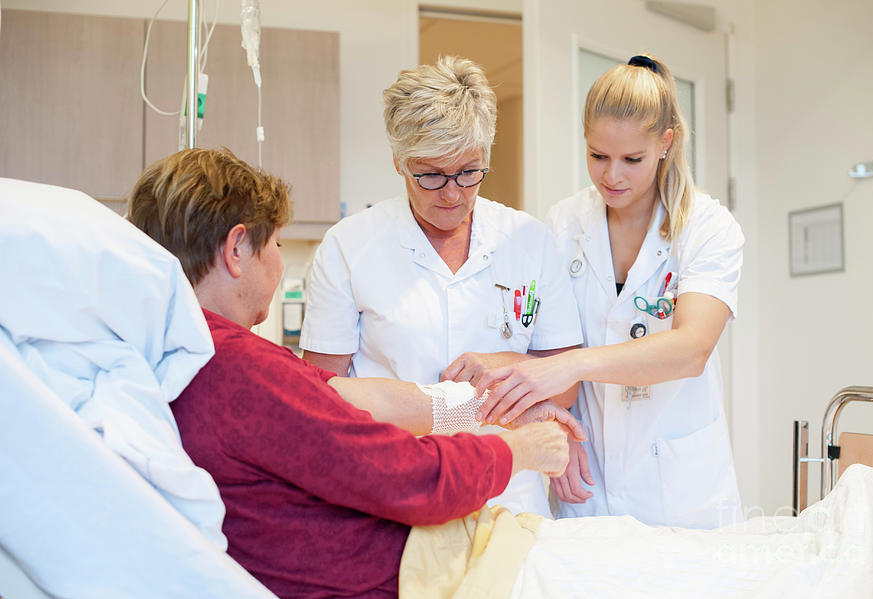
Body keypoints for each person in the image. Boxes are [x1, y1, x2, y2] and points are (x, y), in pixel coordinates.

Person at [125, 147, 575, 599]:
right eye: (277, 244)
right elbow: (413, 479)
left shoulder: (187, 350)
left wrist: (492, 406)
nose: (279, 263)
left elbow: (349, 396)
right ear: (237, 248)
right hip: (409, 568)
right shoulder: (238, 371)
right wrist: (519, 449)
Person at [300, 56, 584, 517]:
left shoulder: (529, 241)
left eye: (469, 172)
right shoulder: (349, 246)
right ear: (398, 161)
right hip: (392, 493)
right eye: (430, 175)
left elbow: (566, 385)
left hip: (509, 496)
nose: (452, 194)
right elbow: (322, 397)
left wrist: (506, 364)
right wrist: (466, 404)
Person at [469, 54, 744, 529]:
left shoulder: (707, 227)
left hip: (680, 485)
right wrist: (554, 421)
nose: (611, 176)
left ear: (666, 143)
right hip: (586, 472)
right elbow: (545, 342)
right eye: (598, 156)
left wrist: (572, 365)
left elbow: (690, 349)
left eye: (631, 160)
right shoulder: (562, 224)